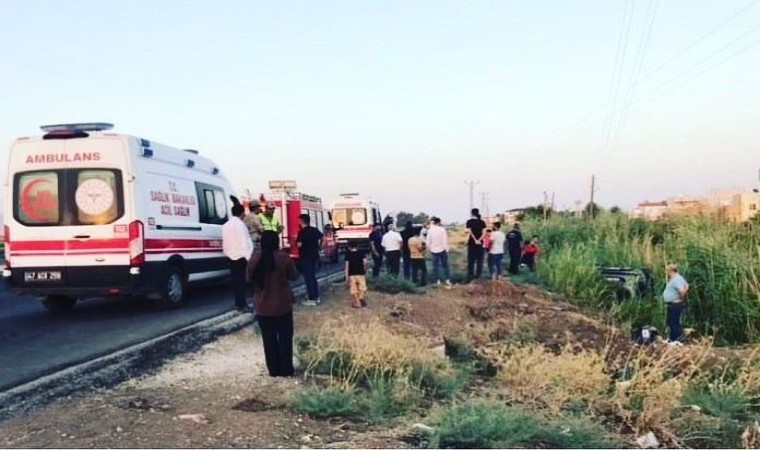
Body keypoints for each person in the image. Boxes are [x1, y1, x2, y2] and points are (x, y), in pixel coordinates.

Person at [247, 231, 300, 377]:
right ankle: (286, 369)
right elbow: (294, 276)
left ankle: (273, 370)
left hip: (262, 306)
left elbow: (248, 277)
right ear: (277, 242)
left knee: (268, 339)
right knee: (285, 338)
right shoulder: (284, 257)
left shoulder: (254, 258)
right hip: (283, 304)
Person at [222, 196, 254, 311]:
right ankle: (242, 304)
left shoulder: (226, 225)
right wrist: (249, 257)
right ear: (242, 213)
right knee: (242, 282)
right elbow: (243, 242)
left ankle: (237, 303)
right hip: (241, 256)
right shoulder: (240, 225)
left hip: (230, 256)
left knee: (235, 282)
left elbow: (225, 241)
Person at [296, 213, 323, 306]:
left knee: (308, 278)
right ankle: (316, 296)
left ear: (301, 221)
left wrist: (296, 241)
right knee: (313, 277)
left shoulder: (302, 232)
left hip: (305, 257)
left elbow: (299, 245)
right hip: (315, 256)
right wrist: (320, 247)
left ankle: (312, 298)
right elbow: (322, 238)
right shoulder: (314, 230)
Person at [663, 264, 689, 345]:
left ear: (671, 271)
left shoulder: (676, 279)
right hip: (673, 304)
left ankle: (678, 340)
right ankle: (672, 340)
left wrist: (680, 297)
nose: (665, 272)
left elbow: (681, 290)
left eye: (666, 270)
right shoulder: (678, 278)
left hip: (675, 304)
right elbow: (687, 286)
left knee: (674, 322)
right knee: (671, 321)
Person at [426, 217, 452, 288]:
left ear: (434, 222)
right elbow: (444, 241)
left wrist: (429, 249)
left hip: (433, 250)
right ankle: (447, 280)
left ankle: (438, 281)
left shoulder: (430, 230)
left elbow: (428, 241)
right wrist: (447, 250)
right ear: (439, 222)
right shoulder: (442, 230)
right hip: (442, 249)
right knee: (445, 265)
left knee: (435, 266)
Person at [465, 208, 487, 282]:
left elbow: (469, 232)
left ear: (472, 213)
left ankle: (470, 276)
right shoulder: (482, 222)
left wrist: (475, 240)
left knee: (471, 261)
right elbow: (484, 233)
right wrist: (479, 240)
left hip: (472, 243)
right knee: (480, 261)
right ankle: (478, 276)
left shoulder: (469, 222)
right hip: (480, 244)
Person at [345, 241, 368, 308]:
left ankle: (358, 302)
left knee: (353, 289)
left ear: (349, 247)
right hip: (361, 272)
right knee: (363, 287)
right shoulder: (361, 253)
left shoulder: (348, 255)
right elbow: (365, 262)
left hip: (352, 274)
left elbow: (347, 266)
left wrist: (346, 276)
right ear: (357, 246)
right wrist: (365, 269)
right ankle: (361, 297)